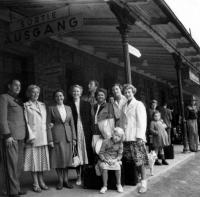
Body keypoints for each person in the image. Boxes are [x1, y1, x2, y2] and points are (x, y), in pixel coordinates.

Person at [120, 84, 148, 193]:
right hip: (126, 137)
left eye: (129, 92)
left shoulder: (138, 104)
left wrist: (140, 136)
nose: (127, 94)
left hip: (136, 137)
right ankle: (135, 180)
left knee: (139, 161)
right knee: (130, 160)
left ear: (133, 92)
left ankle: (144, 183)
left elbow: (142, 121)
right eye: (126, 92)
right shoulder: (123, 106)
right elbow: (122, 123)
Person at [0, 79, 26, 197]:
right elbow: (2, 119)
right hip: (11, 137)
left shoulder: (18, 100)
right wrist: (7, 135)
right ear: (9, 86)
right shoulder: (4, 97)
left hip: (21, 136)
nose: (18, 87)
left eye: (20, 85)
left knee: (19, 164)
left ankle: (16, 187)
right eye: (15, 85)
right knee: (11, 164)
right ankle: (12, 191)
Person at [24, 85, 50, 193]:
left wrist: (49, 126)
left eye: (37, 93)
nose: (36, 95)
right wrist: (29, 136)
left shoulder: (42, 105)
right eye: (33, 92)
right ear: (29, 93)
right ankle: (35, 183)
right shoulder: (26, 105)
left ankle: (41, 181)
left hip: (43, 136)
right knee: (34, 162)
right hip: (33, 137)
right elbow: (26, 123)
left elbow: (44, 121)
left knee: (42, 160)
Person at [48, 89, 76, 190]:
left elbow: (72, 123)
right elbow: (48, 125)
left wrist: (74, 138)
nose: (59, 98)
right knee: (58, 160)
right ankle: (60, 181)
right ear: (54, 98)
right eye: (57, 96)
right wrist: (50, 140)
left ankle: (66, 180)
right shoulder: (51, 108)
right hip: (57, 136)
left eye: (61, 96)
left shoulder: (68, 108)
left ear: (63, 97)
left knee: (67, 159)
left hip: (68, 136)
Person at [70, 85, 91, 186]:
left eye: (78, 91)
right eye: (74, 91)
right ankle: (78, 175)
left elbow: (90, 119)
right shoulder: (69, 105)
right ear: (72, 93)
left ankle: (85, 175)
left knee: (85, 151)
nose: (76, 93)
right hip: (75, 130)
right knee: (77, 152)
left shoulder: (86, 104)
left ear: (81, 93)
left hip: (85, 130)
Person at [98, 127, 124, 194]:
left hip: (114, 160)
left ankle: (119, 184)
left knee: (118, 167)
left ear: (121, 138)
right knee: (104, 167)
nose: (116, 137)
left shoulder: (120, 144)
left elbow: (120, 155)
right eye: (115, 135)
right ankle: (104, 186)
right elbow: (101, 153)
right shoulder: (105, 141)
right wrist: (105, 160)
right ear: (112, 134)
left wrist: (116, 160)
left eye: (119, 136)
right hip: (105, 159)